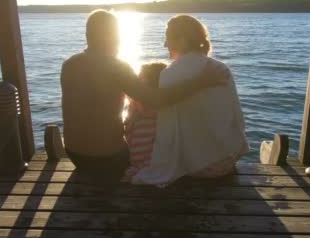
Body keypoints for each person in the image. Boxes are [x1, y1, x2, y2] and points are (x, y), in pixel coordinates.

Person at [61, 10, 227, 181]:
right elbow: (156, 100)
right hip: (109, 158)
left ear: (88, 35)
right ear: (112, 37)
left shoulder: (69, 65)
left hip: (76, 155)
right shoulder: (117, 67)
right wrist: (201, 81)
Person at [130, 15, 249, 186]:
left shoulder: (169, 75)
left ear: (183, 40)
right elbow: (238, 120)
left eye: (168, 38)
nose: (164, 44)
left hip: (197, 169)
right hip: (227, 161)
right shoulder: (221, 68)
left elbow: (167, 135)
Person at [122, 62, 167, 182]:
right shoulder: (167, 105)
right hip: (159, 160)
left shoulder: (135, 104)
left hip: (136, 158)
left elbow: (127, 130)